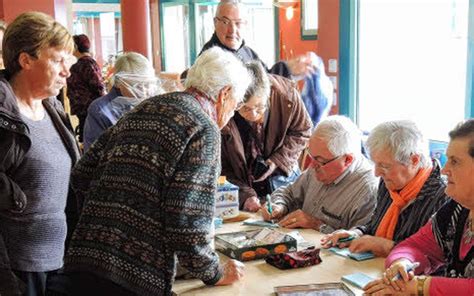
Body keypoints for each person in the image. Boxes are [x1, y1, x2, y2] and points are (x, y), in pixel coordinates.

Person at [49, 47, 252, 296]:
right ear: (225, 94)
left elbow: (82, 173)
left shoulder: (146, 106)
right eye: (237, 103)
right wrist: (215, 272)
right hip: (135, 276)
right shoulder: (203, 128)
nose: (232, 112)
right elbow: (187, 223)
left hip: (86, 259)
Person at [0, 12, 80, 295]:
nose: (66, 71)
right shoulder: (4, 117)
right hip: (16, 272)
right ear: (26, 60)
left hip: (57, 262)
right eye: (58, 60)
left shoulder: (53, 109)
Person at [364, 119, 474, 296]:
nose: (445, 169)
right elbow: (415, 246)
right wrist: (402, 263)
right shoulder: (456, 210)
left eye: (455, 161)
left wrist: (419, 285)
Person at [321, 120, 449, 257]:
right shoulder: (389, 182)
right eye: (375, 164)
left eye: (385, 166)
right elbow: (374, 226)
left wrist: (385, 246)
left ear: (414, 160)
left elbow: (436, 257)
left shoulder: (444, 197)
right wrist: (356, 233)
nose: (377, 173)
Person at [261, 115, 378, 234]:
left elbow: (359, 242)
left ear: (347, 159)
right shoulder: (318, 166)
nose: (312, 166)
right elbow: (289, 192)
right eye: (311, 156)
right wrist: (279, 206)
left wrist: (317, 225)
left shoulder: (368, 190)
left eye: (320, 161)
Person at [221, 61, 312, 211]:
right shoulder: (224, 110)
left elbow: (303, 131)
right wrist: (245, 195)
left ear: (269, 94)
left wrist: (277, 160)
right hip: (242, 183)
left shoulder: (286, 96)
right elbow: (223, 164)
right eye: (245, 109)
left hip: (283, 179)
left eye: (259, 106)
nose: (253, 115)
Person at [185, 0, 314, 80]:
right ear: (215, 22)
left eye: (238, 23)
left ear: (246, 25)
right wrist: (286, 69)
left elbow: (264, 77)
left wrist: (290, 70)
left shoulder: (248, 52)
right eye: (225, 22)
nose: (232, 30)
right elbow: (247, 91)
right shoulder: (210, 57)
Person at [83, 52, 160, 151]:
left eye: (148, 84)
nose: (144, 91)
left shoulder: (153, 103)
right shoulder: (100, 110)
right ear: (118, 82)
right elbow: (93, 154)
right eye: (137, 86)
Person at [66, 34, 105, 143]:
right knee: (85, 133)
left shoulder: (86, 63)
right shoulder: (81, 63)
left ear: (75, 47)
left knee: (88, 136)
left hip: (88, 107)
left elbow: (98, 85)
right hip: (83, 108)